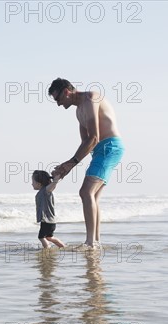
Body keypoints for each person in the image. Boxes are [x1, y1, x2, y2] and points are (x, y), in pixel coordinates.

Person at [48, 78, 125, 249]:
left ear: (66, 92)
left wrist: (71, 163)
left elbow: (94, 137)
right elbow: (85, 143)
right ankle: (95, 241)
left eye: (58, 99)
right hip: (99, 151)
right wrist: (67, 167)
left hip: (110, 147)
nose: (58, 104)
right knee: (93, 197)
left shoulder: (91, 98)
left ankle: (90, 243)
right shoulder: (78, 112)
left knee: (85, 192)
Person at [32, 170, 65, 249]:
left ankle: (47, 249)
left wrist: (56, 180)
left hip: (47, 220)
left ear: (39, 183)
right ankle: (63, 247)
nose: (31, 184)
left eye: (33, 181)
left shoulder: (45, 191)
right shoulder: (42, 191)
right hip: (49, 221)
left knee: (41, 237)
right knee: (49, 237)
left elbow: (52, 187)